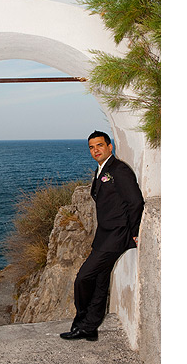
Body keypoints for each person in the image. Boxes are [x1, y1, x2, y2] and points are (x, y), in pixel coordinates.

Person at [60, 131, 144, 341]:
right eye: (91, 147)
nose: (95, 150)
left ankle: (81, 322)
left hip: (116, 236)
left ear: (110, 147)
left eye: (99, 145)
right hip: (103, 235)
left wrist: (134, 233)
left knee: (83, 278)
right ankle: (91, 327)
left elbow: (135, 203)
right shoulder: (101, 170)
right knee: (99, 281)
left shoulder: (119, 170)